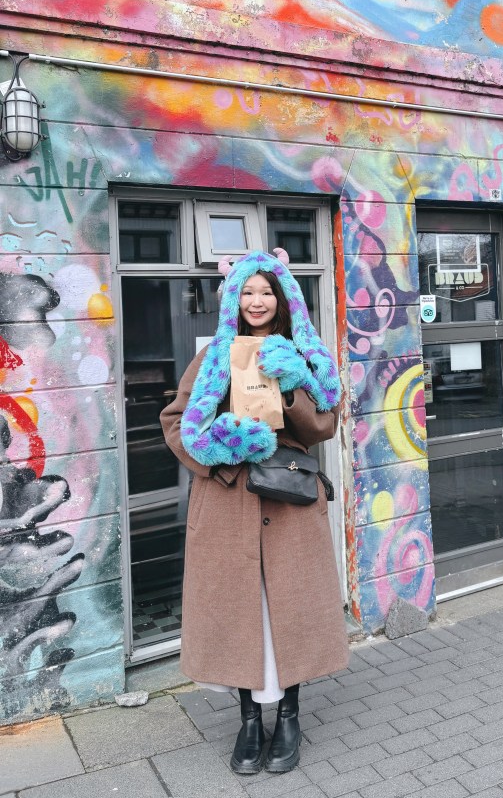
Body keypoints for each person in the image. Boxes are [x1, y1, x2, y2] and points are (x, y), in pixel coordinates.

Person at [160, 249, 348, 775]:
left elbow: (325, 424)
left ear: (283, 299)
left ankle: (289, 716)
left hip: (289, 503)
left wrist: (290, 387)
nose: (257, 301)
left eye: (266, 291)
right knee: (240, 613)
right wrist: (221, 453)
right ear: (232, 300)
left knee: (287, 610)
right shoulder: (213, 356)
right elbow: (176, 421)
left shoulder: (302, 356)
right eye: (247, 291)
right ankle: (248, 721)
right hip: (227, 503)